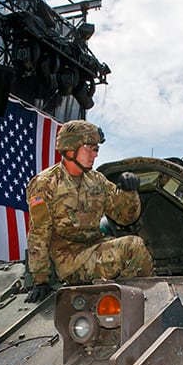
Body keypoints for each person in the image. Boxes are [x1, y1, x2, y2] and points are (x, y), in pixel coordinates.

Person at [24, 120, 154, 303]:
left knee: (138, 247)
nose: (95, 154)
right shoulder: (45, 183)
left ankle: (134, 301)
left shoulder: (97, 181)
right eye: (89, 148)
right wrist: (40, 280)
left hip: (94, 247)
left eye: (96, 149)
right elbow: (39, 233)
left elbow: (125, 218)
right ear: (70, 149)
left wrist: (129, 192)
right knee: (132, 247)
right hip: (69, 259)